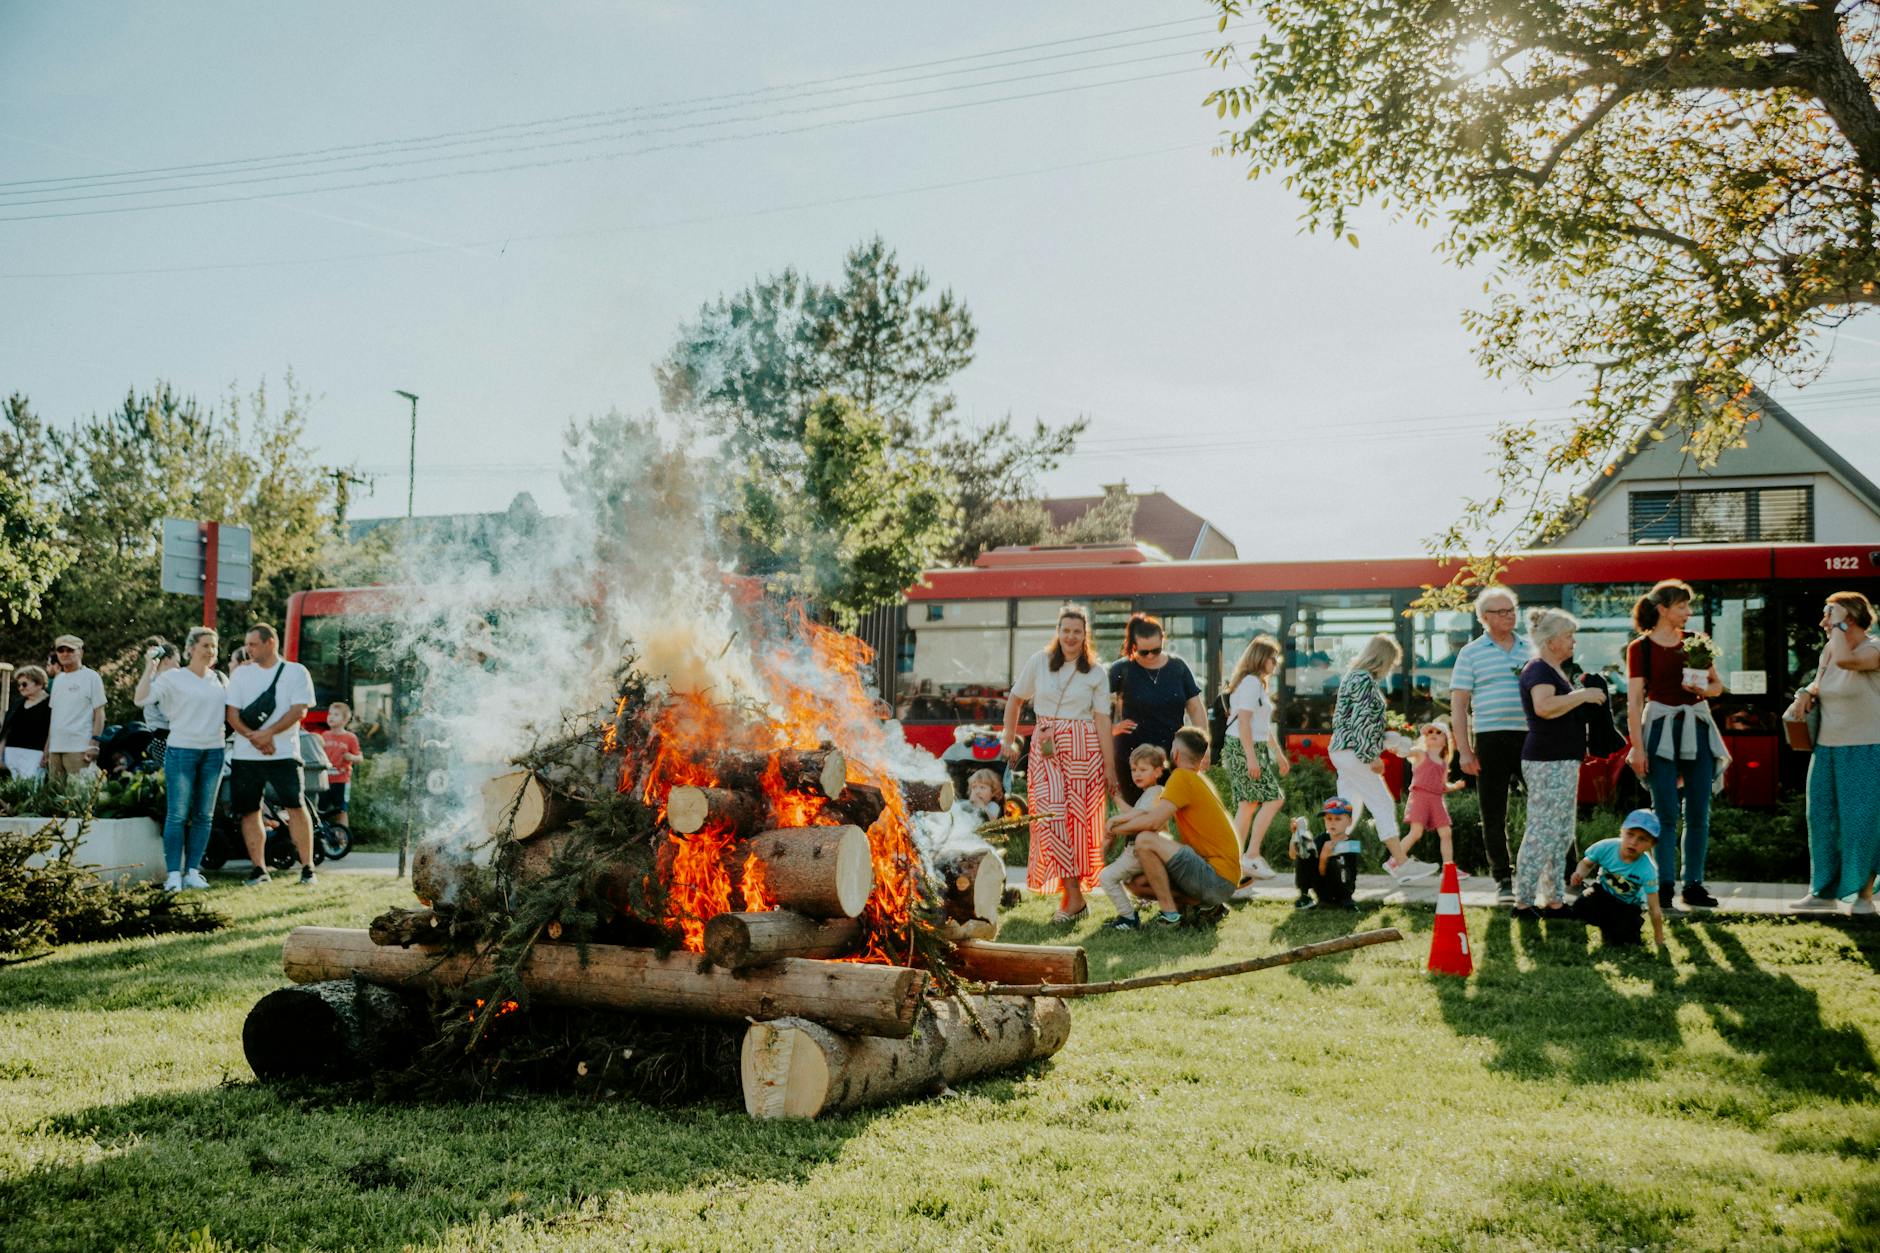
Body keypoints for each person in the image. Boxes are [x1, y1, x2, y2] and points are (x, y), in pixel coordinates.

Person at [1002, 604, 1121, 923]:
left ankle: (1072, 900)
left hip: (1084, 749)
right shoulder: (1039, 662)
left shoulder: (1096, 672)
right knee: (1050, 818)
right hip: (1046, 748)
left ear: (1085, 636)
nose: (1070, 636)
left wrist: (1110, 766)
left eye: (1077, 631)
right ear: (1058, 632)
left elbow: (1102, 720)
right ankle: (1075, 897)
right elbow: (1015, 699)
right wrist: (1008, 737)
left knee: (1079, 826)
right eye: (1065, 630)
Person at [1625, 578, 1728, 911]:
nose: (1688, 612)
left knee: (1699, 811)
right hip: (1659, 729)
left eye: (1688, 606)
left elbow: (1717, 687)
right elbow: (1634, 702)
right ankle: (1665, 884)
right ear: (1662, 610)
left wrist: (1700, 688)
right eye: (1682, 606)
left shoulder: (1696, 642)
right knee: (1666, 812)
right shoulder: (1639, 648)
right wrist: (1637, 748)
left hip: (1696, 726)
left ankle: (1694, 885)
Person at [1789, 591, 1880, 914]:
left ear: (1848, 619)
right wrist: (1804, 692)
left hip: (1867, 748)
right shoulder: (1830, 648)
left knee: (1861, 823)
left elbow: (1846, 662)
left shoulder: (1875, 649)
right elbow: (1820, 682)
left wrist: (1839, 629)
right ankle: (1823, 891)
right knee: (1822, 820)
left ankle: (1863, 897)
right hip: (1827, 748)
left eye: (1830, 615)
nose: (1823, 622)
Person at [1513, 608, 1606, 918]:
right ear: (1552, 641)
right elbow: (1544, 707)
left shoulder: (1551, 669)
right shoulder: (1539, 669)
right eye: (1569, 636)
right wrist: (1583, 695)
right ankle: (1524, 901)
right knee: (1541, 830)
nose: (1573, 642)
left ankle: (1553, 900)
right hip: (1547, 760)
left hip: (1560, 759)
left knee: (1561, 832)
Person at [1104, 727, 1240, 928]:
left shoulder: (1181, 777)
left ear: (1175, 753)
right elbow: (1149, 816)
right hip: (1220, 880)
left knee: (1145, 841)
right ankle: (1207, 906)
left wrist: (1113, 829)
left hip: (1217, 877)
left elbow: (1153, 822)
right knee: (1137, 883)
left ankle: (1170, 915)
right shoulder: (1196, 778)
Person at [1449, 586, 1532, 903]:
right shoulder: (1470, 653)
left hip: (1531, 738)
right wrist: (1465, 751)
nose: (1510, 615)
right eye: (1502, 611)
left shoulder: (1531, 649)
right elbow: (1459, 705)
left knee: (1548, 805)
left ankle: (1566, 874)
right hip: (1490, 739)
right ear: (1484, 618)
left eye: (1512, 609)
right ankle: (1503, 879)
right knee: (1493, 813)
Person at [1328, 633, 1434, 879]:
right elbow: (1363, 720)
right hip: (1355, 752)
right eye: (1391, 663)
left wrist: (1389, 741)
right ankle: (1401, 864)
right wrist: (1369, 755)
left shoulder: (1353, 677)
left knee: (1347, 807)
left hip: (1342, 750)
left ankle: (1327, 858)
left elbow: (1349, 720)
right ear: (1382, 659)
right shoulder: (1365, 680)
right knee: (1382, 803)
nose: (1391, 669)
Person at [225, 622, 319, 887]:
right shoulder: (241, 675)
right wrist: (256, 738)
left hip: (284, 752)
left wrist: (267, 735)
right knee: (249, 810)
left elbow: (299, 710)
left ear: (271, 643)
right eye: (247, 644)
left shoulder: (295, 672)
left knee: (296, 805)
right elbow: (231, 714)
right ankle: (259, 869)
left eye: (253, 644)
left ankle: (308, 867)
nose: (248, 649)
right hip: (247, 754)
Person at [136, 628, 227, 892]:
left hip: (214, 751)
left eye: (214, 646)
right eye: (205, 645)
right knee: (177, 815)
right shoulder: (174, 678)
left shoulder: (220, 679)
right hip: (182, 750)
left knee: (204, 816)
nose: (210, 651)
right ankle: (174, 874)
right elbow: (140, 698)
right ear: (190, 649)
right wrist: (149, 668)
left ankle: (193, 871)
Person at [1109, 613, 1204, 804]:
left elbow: (1195, 708)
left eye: (1156, 650)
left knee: (1172, 811)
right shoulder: (1121, 669)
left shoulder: (1178, 667)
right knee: (1139, 813)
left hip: (1173, 754)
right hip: (1134, 758)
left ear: (1163, 640)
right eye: (1144, 652)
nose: (1151, 656)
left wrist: (1202, 747)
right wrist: (1111, 729)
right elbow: (1095, 707)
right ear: (1132, 646)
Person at [1221, 634, 1289, 881]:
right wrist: (1251, 758)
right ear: (1262, 658)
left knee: (1247, 805)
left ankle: (1234, 859)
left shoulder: (1256, 683)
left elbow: (1262, 726)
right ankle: (1250, 855)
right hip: (1243, 746)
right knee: (1273, 799)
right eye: (1273, 658)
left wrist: (1278, 755)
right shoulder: (1250, 683)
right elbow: (1246, 723)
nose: (1276, 663)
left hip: (1248, 746)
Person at [1563, 810, 1668, 947]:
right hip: (1602, 893)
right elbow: (1587, 863)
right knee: (1580, 906)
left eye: (1642, 839)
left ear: (1651, 844)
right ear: (1622, 832)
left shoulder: (1648, 870)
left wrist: (1659, 940)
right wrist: (1579, 873)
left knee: (1622, 941)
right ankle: (1599, 921)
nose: (1634, 842)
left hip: (1627, 905)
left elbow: (1654, 908)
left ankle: (1618, 930)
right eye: (1630, 835)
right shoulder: (1606, 847)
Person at [1099, 743, 1172, 930]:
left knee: (1107, 877)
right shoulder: (1148, 793)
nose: (1137, 774)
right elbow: (1135, 811)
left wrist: (1115, 819)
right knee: (1124, 879)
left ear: (1157, 772)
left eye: (1142, 769)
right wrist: (1115, 798)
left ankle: (1128, 918)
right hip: (1140, 849)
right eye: (1133, 770)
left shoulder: (1156, 791)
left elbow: (1139, 814)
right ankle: (1131, 913)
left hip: (1142, 849)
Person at [1393, 721, 1467, 875]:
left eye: (1438, 733)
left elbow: (1442, 786)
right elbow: (1406, 752)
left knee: (1446, 833)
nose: (1433, 734)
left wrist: (1455, 786)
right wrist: (1399, 748)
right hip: (1419, 797)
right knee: (1415, 833)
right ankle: (1395, 861)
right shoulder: (1420, 753)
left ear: (1446, 740)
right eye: (1430, 732)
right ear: (1424, 739)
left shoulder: (1444, 763)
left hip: (1436, 800)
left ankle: (1448, 869)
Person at [43, 634, 106, 785]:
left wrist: (94, 744)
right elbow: (55, 716)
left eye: (70, 650)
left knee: (81, 796)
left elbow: (100, 713)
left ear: (81, 652)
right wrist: (47, 747)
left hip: (80, 747)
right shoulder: (58, 680)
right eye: (61, 650)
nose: (65, 654)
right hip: (56, 748)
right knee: (56, 797)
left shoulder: (91, 677)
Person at [1293, 796, 1361, 911]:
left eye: (1337, 819)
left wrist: (1325, 856)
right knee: (1305, 853)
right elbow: (1294, 855)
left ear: (1349, 822)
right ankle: (1304, 896)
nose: (1332, 823)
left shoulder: (1352, 844)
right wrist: (1295, 836)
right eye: (1329, 819)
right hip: (1322, 889)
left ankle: (1347, 902)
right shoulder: (1321, 839)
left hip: (1343, 890)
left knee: (1338, 859)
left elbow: (1350, 873)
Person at [319, 700, 365, 828]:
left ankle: (342, 837)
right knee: (321, 809)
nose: (331, 717)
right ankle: (323, 837)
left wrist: (351, 757)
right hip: (324, 780)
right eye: (330, 714)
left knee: (341, 810)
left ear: (345, 720)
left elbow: (360, 757)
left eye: (336, 714)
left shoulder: (350, 738)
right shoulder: (324, 735)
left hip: (342, 780)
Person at [0, 665, 52, 780]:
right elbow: (7, 731)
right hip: (11, 753)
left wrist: (46, 752)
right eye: (19, 685)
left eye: (24, 684)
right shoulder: (17, 704)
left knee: (32, 790)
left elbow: (52, 730)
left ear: (39, 683)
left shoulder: (51, 704)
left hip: (35, 754)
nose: (20, 688)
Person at [135, 637, 179, 769]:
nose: (178, 667)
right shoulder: (160, 683)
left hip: (158, 737)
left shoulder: (151, 681)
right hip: (164, 738)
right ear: (166, 660)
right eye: (177, 662)